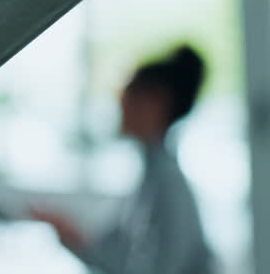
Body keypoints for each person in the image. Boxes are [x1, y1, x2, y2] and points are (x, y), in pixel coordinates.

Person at [31, 45, 214, 274]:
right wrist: (72, 237)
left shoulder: (168, 184)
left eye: (130, 93)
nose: (120, 102)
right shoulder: (150, 178)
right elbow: (118, 256)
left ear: (156, 103)